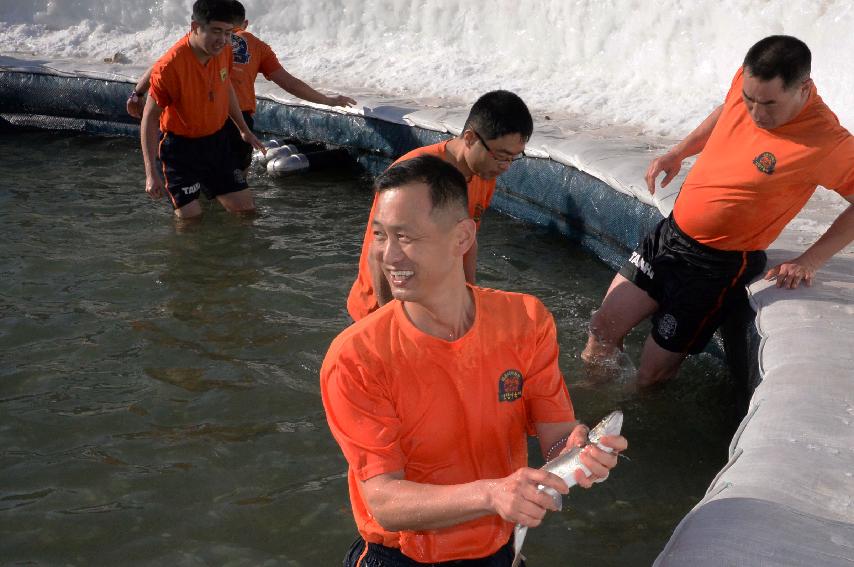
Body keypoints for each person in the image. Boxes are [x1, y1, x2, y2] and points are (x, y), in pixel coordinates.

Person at [321, 155, 627, 566]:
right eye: (380, 235)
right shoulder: (356, 357)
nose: (388, 256)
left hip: (498, 549)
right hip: (401, 558)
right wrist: (491, 494)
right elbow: (385, 502)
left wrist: (578, 451)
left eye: (405, 237)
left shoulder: (526, 320)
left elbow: (556, 434)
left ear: (462, 238)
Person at [582, 35, 854, 387]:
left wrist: (810, 260)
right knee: (601, 329)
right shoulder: (748, 82)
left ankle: (631, 428)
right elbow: (726, 111)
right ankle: (588, 411)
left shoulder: (827, 142)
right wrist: (679, 152)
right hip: (670, 237)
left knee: (650, 376)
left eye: (769, 104)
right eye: (750, 100)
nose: (756, 113)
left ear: (804, 89)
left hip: (715, 267)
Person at [346, 90, 532, 321]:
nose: (506, 166)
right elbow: (380, 251)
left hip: (431, 311)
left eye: (513, 158)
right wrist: (393, 321)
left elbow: (467, 241)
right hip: (379, 311)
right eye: (501, 156)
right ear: (470, 138)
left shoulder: (484, 173)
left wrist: (468, 303)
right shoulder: (414, 177)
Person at [128, 1, 356, 175]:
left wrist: (137, 93)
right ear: (245, 25)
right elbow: (288, 82)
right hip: (239, 118)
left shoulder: (198, 40)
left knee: (197, 185)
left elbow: (159, 67)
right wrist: (327, 100)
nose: (225, 39)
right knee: (235, 183)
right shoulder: (257, 47)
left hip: (201, 119)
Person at [140, 0, 265, 218]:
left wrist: (243, 129)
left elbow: (226, 89)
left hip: (216, 143)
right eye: (216, 31)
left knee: (247, 212)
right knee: (192, 223)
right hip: (180, 150)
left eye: (228, 32)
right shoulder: (170, 67)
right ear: (195, 27)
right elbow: (149, 119)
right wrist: (151, 173)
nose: (223, 40)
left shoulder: (224, 50)